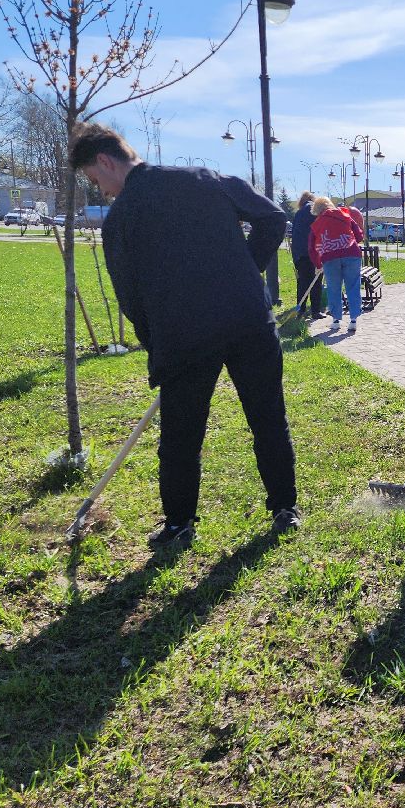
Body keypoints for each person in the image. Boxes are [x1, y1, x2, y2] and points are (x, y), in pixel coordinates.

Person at [71, 122, 301, 548]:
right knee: (267, 416)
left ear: (105, 161)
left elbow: (130, 296)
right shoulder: (203, 178)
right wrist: (247, 271)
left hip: (183, 337)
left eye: (94, 178)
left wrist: (156, 342)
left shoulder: (121, 217)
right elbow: (272, 217)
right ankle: (285, 507)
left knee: (181, 435)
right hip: (248, 320)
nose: (100, 189)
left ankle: (179, 525)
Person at [308, 197, 365, 336]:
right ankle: (353, 320)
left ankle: (336, 320)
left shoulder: (317, 224)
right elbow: (359, 235)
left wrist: (317, 263)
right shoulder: (344, 215)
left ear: (316, 210)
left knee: (334, 288)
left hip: (330, 258)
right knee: (353, 286)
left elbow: (311, 247)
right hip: (351, 254)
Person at [289, 191, 324, 319]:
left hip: (300, 253)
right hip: (313, 251)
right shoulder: (314, 210)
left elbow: (294, 235)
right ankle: (315, 311)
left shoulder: (298, 213)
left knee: (303, 281)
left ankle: (301, 310)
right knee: (316, 281)